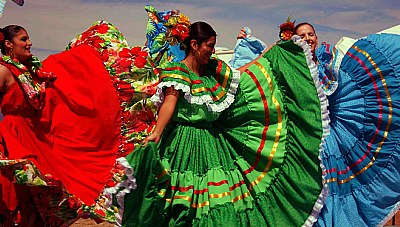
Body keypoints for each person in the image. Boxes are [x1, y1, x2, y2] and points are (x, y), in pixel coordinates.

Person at [120, 21, 329, 226]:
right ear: (194, 45)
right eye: (209, 46)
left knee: (215, 200)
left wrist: (264, 57)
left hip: (211, 143)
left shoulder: (212, 69)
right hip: (182, 144)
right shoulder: (176, 72)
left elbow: (239, 75)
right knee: (182, 199)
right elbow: (169, 103)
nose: (212, 51)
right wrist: (158, 131)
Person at [234, 21, 400, 226]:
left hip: (334, 135)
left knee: (333, 188)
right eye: (302, 36)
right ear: (294, 39)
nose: (307, 39)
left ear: (317, 38)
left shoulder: (328, 62)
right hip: (304, 138)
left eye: (310, 34)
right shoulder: (289, 66)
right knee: (308, 188)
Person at [0, 23, 147, 225]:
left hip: (36, 135)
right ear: (8, 44)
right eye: (23, 39)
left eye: (28, 38)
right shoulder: (3, 71)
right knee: (19, 191)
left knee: (48, 192)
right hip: (14, 136)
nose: (30, 43)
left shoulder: (29, 70)